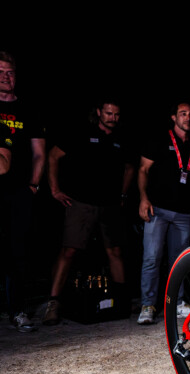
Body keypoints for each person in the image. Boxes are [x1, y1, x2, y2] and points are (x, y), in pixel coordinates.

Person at [41, 99, 135, 325]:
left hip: (110, 205)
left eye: (116, 114)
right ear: (99, 112)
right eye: (109, 113)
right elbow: (52, 156)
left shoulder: (122, 139)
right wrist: (55, 190)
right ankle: (53, 303)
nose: (113, 118)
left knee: (115, 251)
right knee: (69, 251)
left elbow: (130, 167)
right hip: (81, 203)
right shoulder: (82, 132)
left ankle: (122, 300)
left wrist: (123, 196)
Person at [136, 102, 190, 325]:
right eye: (183, 114)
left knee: (179, 261)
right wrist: (143, 198)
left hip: (183, 212)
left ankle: (177, 303)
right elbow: (143, 169)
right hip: (158, 209)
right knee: (152, 257)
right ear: (173, 117)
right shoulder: (159, 139)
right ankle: (148, 305)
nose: (188, 118)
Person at [0, 51, 46, 333]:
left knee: (17, 252)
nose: (6, 77)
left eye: (10, 72)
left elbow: (39, 153)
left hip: (18, 190)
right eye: (1, 72)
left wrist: (33, 185)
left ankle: (17, 311)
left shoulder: (28, 109)